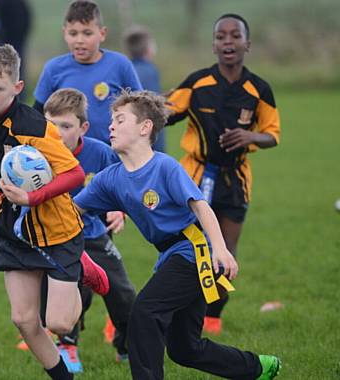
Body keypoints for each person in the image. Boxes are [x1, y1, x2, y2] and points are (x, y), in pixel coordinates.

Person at [74, 89, 282, 380]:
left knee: (144, 313)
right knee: (185, 348)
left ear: (145, 128)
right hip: (171, 255)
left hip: (194, 251)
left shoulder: (164, 166)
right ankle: (257, 368)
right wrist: (28, 204)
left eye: (120, 120)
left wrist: (220, 250)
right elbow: (72, 212)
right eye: (111, 120)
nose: (110, 126)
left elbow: (201, 207)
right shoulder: (110, 179)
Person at [0, 44, 109, 380]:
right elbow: (3, 184)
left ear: (17, 88)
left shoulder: (33, 128)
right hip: (17, 229)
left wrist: (32, 198)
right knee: (23, 319)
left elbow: (75, 174)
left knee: (59, 323)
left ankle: (82, 267)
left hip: (57, 228)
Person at [166, 13, 281, 335]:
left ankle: (212, 318)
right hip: (195, 177)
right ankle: (177, 311)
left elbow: (273, 134)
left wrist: (251, 136)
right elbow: (164, 111)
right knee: (187, 247)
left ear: (247, 44)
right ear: (214, 45)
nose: (228, 42)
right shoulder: (198, 82)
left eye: (234, 36)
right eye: (221, 36)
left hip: (235, 179)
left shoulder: (259, 89)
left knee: (226, 251)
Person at [43, 88, 137, 372]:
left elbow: (122, 187)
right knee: (74, 293)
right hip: (55, 240)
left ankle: (127, 346)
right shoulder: (35, 155)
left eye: (66, 126)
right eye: (51, 125)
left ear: (83, 127)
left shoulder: (101, 153)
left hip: (94, 234)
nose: (57, 133)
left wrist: (118, 210)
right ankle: (67, 347)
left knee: (123, 293)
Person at [33, 0, 142, 145]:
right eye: (73, 33)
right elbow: (37, 114)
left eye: (87, 33)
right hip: (67, 153)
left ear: (102, 34)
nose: (79, 40)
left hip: (113, 153)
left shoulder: (120, 64)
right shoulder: (53, 69)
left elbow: (140, 107)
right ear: (64, 33)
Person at [124, 25, 165, 152]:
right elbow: (154, 108)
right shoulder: (150, 71)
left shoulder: (126, 69)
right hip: (148, 138)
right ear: (148, 48)